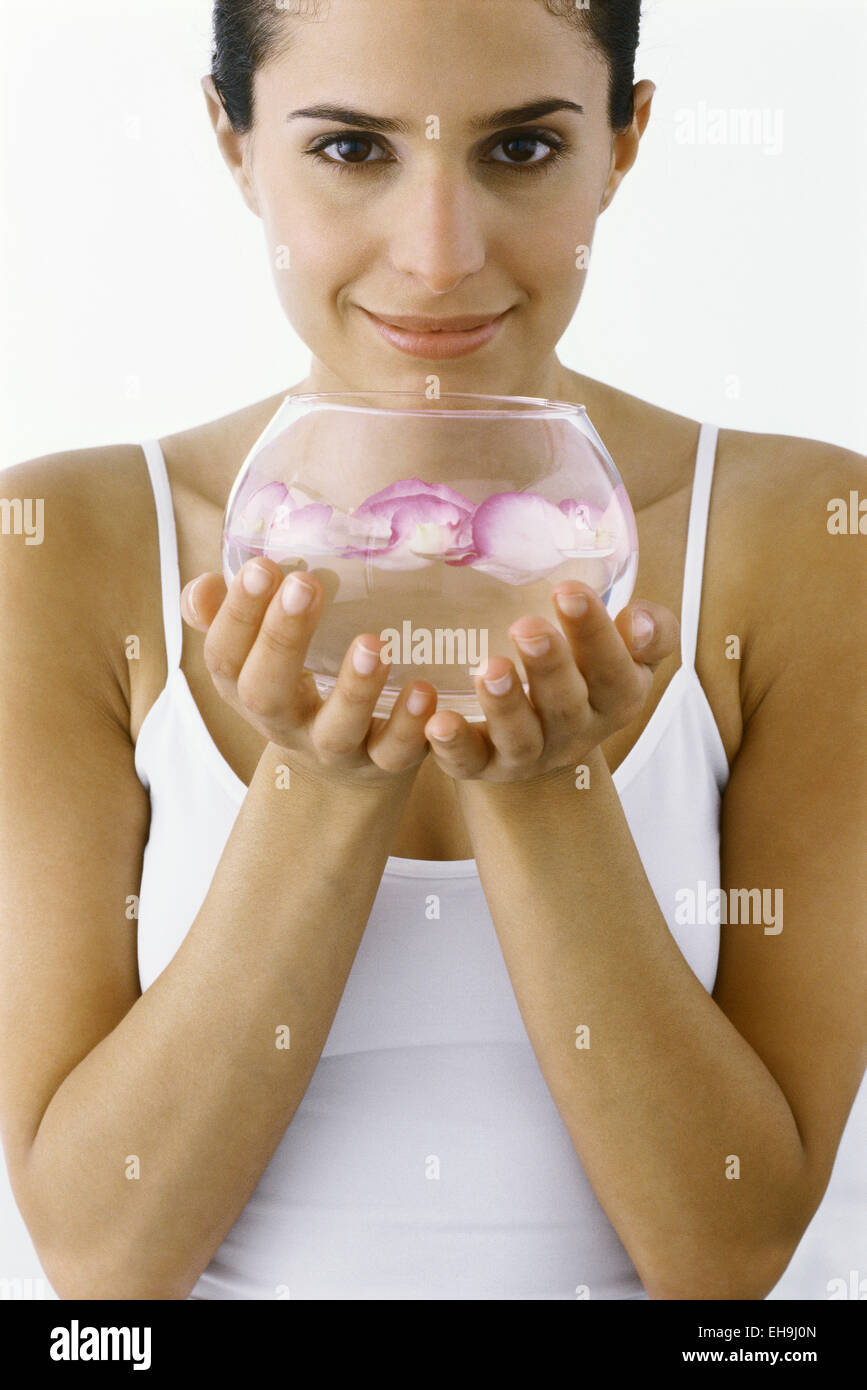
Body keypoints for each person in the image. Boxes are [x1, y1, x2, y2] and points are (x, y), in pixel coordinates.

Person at [0, 0, 863, 1301]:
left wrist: (541, 789)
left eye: (520, 150)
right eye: (352, 149)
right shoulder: (60, 544)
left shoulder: (805, 537)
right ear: (232, 140)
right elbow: (102, 1268)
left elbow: (727, 1258)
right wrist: (322, 784)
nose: (441, 254)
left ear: (625, 142)